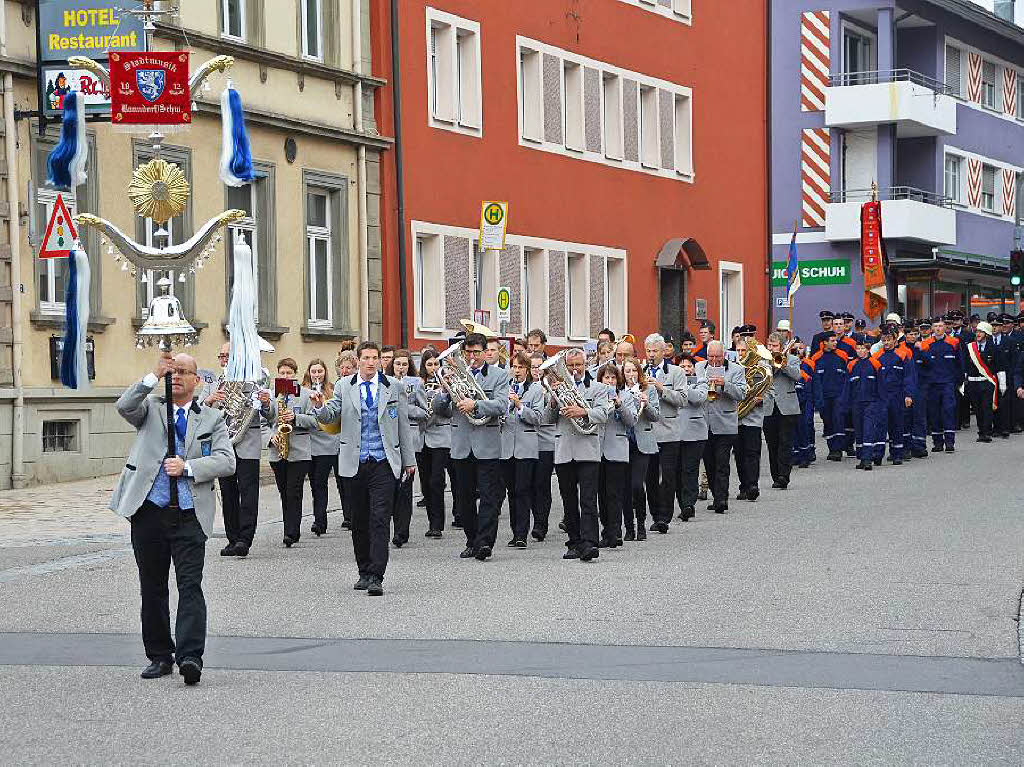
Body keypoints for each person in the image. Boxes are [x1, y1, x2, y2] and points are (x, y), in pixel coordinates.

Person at [111, 352, 235, 685]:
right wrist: (152, 376)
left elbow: (226, 461)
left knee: (190, 586)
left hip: (189, 514)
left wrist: (189, 467)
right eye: (173, 372)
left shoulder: (211, 418)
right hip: (149, 511)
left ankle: (190, 656)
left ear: (197, 380)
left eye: (184, 372)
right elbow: (124, 406)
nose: (177, 377)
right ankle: (159, 656)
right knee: (152, 587)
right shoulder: (150, 409)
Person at [313, 342, 417, 596]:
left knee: (380, 518)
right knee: (359, 520)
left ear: (381, 361)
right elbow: (331, 415)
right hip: (354, 461)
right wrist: (319, 407)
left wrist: (409, 460)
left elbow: (402, 425)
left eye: (375, 358)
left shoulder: (393, 386)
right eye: (366, 358)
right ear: (358, 361)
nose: (371, 362)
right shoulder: (344, 386)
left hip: (383, 461)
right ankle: (364, 570)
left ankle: (377, 575)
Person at [432, 332, 510, 561]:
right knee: (463, 497)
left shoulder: (499, 375)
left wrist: (475, 403)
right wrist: (445, 393)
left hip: (487, 445)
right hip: (461, 444)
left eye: (477, 352)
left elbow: (502, 405)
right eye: (469, 352)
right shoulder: (454, 375)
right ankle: (471, 539)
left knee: (488, 497)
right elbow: (440, 411)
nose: (473, 356)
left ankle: (485, 543)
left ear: (486, 353)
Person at [205, 342, 274, 558]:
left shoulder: (255, 380)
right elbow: (199, 409)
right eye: (222, 356)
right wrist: (209, 400)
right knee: (227, 492)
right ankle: (232, 538)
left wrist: (264, 403)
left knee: (248, 491)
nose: (224, 359)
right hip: (223, 444)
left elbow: (271, 415)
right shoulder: (216, 382)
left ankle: (245, 538)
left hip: (248, 442)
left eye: (228, 355)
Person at [545, 348, 612, 561]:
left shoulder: (599, 388)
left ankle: (590, 543)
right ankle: (573, 542)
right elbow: (547, 418)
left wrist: (584, 411)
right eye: (571, 365)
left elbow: (603, 414)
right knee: (569, 500)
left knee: (589, 499)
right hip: (564, 449)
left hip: (588, 450)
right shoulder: (556, 389)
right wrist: (554, 400)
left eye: (578, 365)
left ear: (585, 364)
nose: (575, 369)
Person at [269, 357, 319, 547]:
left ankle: (292, 532)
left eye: (289, 373)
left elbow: (315, 421)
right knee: (284, 492)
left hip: (299, 450)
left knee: (293, 491)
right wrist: (270, 436)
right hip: (277, 450)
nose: (285, 376)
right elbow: (265, 421)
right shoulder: (273, 395)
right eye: (282, 373)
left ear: (295, 375)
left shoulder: (306, 394)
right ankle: (287, 527)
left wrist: (296, 417)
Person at [642, 333, 686, 534]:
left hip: (668, 431)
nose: (651, 355)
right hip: (648, 432)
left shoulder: (676, 372)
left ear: (663, 351)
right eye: (649, 351)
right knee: (650, 477)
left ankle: (664, 516)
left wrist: (661, 389)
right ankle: (655, 514)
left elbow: (683, 399)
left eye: (655, 351)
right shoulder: (640, 370)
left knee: (667, 476)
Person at [695, 341, 746, 513]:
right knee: (709, 462)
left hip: (725, 423)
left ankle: (721, 499)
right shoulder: (699, 367)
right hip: (704, 423)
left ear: (724, 355)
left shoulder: (736, 369)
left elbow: (742, 394)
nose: (714, 360)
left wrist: (725, 384)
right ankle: (716, 493)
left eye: (718, 356)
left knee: (722, 462)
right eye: (711, 356)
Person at [500, 351, 544, 548]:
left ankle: (521, 534)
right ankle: (514, 531)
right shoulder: (505, 386)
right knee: (511, 491)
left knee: (523, 490)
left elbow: (538, 418)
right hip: (507, 446)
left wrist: (519, 406)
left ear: (527, 369)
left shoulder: (535, 389)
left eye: (520, 367)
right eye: (514, 367)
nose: (516, 371)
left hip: (526, 447)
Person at [409, 348, 449, 538]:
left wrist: (443, 395)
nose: (433, 368)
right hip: (422, 436)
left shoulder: (446, 383)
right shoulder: (419, 384)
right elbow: (411, 406)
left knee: (436, 480)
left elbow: (449, 410)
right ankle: (431, 520)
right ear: (423, 366)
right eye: (429, 364)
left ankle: (437, 524)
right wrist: (421, 413)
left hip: (440, 436)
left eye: (436, 363)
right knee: (425, 482)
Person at [597, 363, 635, 548]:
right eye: (606, 378)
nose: (610, 381)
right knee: (601, 494)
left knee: (614, 494)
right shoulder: (595, 395)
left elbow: (631, 421)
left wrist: (619, 404)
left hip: (617, 450)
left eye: (613, 378)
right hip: (597, 450)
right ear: (601, 380)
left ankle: (615, 532)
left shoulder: (626, 396)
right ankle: (606, 531)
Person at [622, 356, 660, 541]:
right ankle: (629, 527)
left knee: (637, 485)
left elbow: (656, 416)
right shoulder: (619, 392)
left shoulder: (649, 390)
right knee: (625, 488)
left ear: (639, 373)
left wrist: (646, 404)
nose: (631, 375)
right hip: (623, 443)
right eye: (627, 371)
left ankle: (641, 524)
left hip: (642, 443)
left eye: (633, 371)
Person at [386, 350, 420, 547]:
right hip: (390, 443)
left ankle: (401, 531)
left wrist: (405, 407)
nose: (401, 368)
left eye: (404, 364)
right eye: (397, 364)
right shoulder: (386, 384)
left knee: (405, 490)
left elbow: (424, 411)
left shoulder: (417, 384)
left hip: (408, 441)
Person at [304, 358, 340, 537]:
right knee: (314, 484)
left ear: (325, 372)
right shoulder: (303, 391)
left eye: (320, 371)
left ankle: (320, 521)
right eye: (314, 371)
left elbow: (332, 417)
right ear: (309, 373)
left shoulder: (332, 390)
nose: (317, 375)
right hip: (309, 443)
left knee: (320, 482)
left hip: (327, 444)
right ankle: (319, 518)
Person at [732, 336, 769, 501]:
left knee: (752, 452)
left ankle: (753, 484)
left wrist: (762, 399)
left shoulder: (761, 368)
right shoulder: (733, 367)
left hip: (753, 417)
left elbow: (770, 389)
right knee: (739, 453)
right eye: (738, 350)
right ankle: (743, 486)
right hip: (736, 417)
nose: (740, 354)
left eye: (743, 350)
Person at [763, 332, 801, 489]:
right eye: (769, 346)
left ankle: (784, 475)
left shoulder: (792, 359)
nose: (772, 349)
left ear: (782, 346)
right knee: (772, 443)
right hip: (769, 406)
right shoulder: (762, 360)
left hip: (787, 407)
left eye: (775, 346)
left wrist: (784, 365)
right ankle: (775, 475)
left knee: (785, 443)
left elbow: (797, 376)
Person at [874, 327, 916, 465]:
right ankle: (878, 455)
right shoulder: (876, 356)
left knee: (897, 424)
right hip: (882, 396)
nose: (886, 343)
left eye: (889, 340)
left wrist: (908, 395)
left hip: (897, 395)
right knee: (880, 426)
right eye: (883, 340)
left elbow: (909, 377)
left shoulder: (903, 355)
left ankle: (897, 454)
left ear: (894, 340)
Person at [920, 318, 962, 453]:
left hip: (948, 384)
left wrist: (959, 382)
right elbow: (922, 365)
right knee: (934, 413)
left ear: (945, 328)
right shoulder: (926, 343)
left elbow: (959, 364)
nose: (938, 328)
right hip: (931, 384)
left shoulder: (954, 342)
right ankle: (937, 442)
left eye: (941, 326)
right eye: (936, 326)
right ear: (932, 328)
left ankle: (950, 442)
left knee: (948, 412)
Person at [675, 354, 709, 520]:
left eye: (688, 366)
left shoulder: (701, 381)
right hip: (674, 432)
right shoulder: (671, 380)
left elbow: (699, 398)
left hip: (695, 432)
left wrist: (681, 388)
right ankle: (682, 503)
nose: (686, 369)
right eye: (682, 367)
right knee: (677, 471)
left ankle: (689, 504)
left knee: (690, 469)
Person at [810, 332, 850, 461]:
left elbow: (847, 375)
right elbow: (814, 381)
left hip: (839, 395)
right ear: (824, 342)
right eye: (832, 341)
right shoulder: (816, 358)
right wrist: (817, 398)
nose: (835, 343)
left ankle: (837, 449)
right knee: (828, 422)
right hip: (824, 397)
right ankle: (832, 448)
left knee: (838, 420)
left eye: (835, 340)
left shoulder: (842, 355)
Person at [529, 352, 556, 541]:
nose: (537, 370)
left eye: (540, 366)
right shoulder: (526, 387)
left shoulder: (551, 387)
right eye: (533, 367)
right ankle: (535, 517)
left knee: (542, 483)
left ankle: (541, 524)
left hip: (547, 441)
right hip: (528, 441)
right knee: (529, 485)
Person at [846, 339, 883, 470]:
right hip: (856, 403)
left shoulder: (875, 364)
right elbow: (847, 386)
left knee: (868, 430)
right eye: (858, 348)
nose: (860, 351)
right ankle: (862, 457)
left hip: (871, 402)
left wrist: (880, 403)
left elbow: (881, 385)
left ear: (868, 350)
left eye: (863, 348)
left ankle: (868, 459)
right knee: (859, 431)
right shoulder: (852, 365)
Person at [334, 350, 357, 528]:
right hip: (338, 438)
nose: (345, 370)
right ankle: (347, 513)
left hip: (353, 437)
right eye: (342, 368)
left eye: (348, 367)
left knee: (353, 478)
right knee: (342, 479)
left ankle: (354, 513)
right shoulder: (338, 385)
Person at [965, 320, 998, 443]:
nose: (978, 334)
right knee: (977, 409)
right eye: (977, 331)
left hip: (986, 381)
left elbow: (997, 366)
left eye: (981, 332)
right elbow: (966, 365)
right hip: (973, 382)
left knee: (986, 408)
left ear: (987, 334)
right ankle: (980, 432)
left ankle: (987, 433)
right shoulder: (970, 347)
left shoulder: (992, 348)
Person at [991, 315, 1014, 439]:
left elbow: (1013, 360)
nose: (994, 328)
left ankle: (1005, 428)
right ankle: (996, 427)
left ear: (1001, 327)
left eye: (996, 326)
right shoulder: (988, 340)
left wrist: (1010, 375)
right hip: (992, 375)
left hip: (1005, 375)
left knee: (1004, 402)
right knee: (993, 401)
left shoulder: (1009, 341)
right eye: (992, 326)